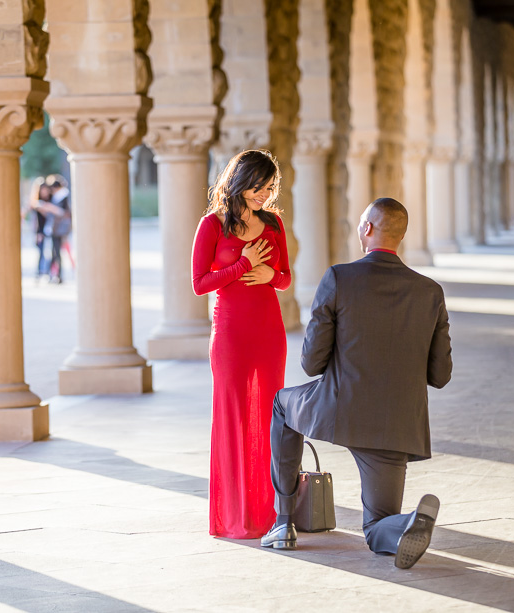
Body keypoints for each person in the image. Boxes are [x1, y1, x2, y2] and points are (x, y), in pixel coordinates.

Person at [261, 197, 452, 570]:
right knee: (376, 525)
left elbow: (312, 364)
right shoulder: (430, 292)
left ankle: (283, 522)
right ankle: (403, 524)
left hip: (339, 407)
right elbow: (440, 376)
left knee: (283, 405)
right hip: (397, 423)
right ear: (401, 235)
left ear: (367, 228)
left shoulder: (339, 278)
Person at [191, 150, 292, 539]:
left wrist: (271, 275)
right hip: (231, 333)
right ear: (240, 181)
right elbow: (200, 284)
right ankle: (235, 516)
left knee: (270, 418)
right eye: (259, 186)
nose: (265, 194)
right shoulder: (212, 225)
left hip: (269, 331)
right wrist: (243, 265)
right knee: (232, 417)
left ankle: (270, 513)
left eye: (270, 187)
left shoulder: (274, 223)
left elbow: (285, 278)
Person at [23, 177, 51, 281]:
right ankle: (40, 271)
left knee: (50, 251)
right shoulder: (35, 202)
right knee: (41, 251)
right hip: (40, 231)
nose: (44, 191)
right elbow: (30, 216)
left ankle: (49, 271)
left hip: (51, 230)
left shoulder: (50, 200)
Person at [45, 174, 71, 284]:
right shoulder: (59, 197)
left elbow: (64, 213)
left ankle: (57, 275)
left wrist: (52, 209)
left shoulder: (63, 197)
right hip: (55, 228)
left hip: (59, 229)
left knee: (56, 252)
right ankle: (53, 274)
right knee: (54, 252)